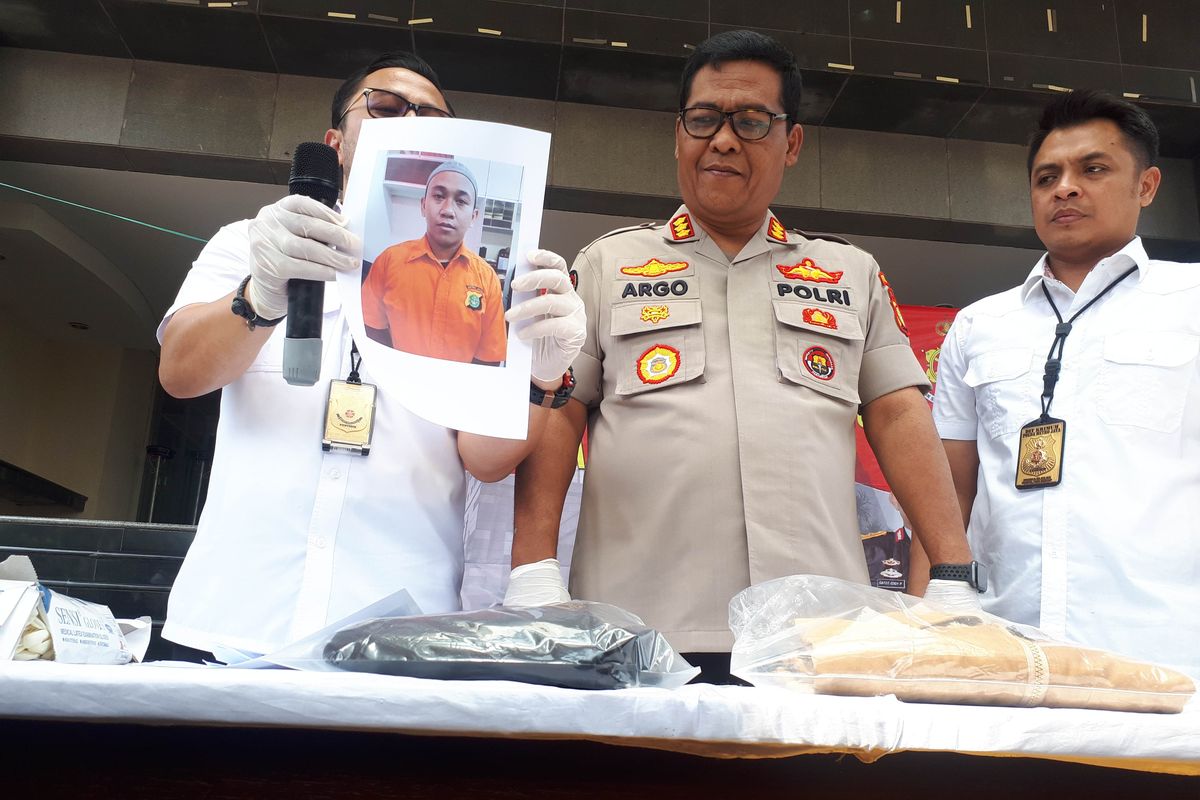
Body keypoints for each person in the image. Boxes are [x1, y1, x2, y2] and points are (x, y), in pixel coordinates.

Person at [509, 30, 981, 678]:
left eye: (751, 121)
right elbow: (561, 411)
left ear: (791, 143)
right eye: (703, 120)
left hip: (816, 634)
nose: (723, 139)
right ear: (678, 136)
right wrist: (532, 569)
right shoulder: (606, 264)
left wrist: (952, 569)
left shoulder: (850, 273)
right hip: (640, 624)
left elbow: (899, 415)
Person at [157, 51, 585, 657]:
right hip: (236, 615)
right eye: (384, 107)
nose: (409, 119)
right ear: (336, 142)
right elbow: (179, 372)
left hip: (399, 629)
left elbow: (485, 460)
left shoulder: (487, 282)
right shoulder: (248, 240)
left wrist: (542, 379)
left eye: (430, 114)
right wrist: (261, 294)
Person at [931, 89, 1200, 675]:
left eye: (1094, 169)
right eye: (1046, 176)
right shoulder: (978, 325)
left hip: (1168, 655)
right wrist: (934, 616)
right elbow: (949, 489)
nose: (1065, 188)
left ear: (1147, 186)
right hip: (1004, 652)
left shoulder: (1192, 303)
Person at [362, 160, 507, 364]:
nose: (448, 210)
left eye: (461, 201)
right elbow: (371, 330)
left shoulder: (488, 279)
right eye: (439, 196)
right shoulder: (388, 261)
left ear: (473, 216)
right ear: (423, 205)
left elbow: (488, 358)